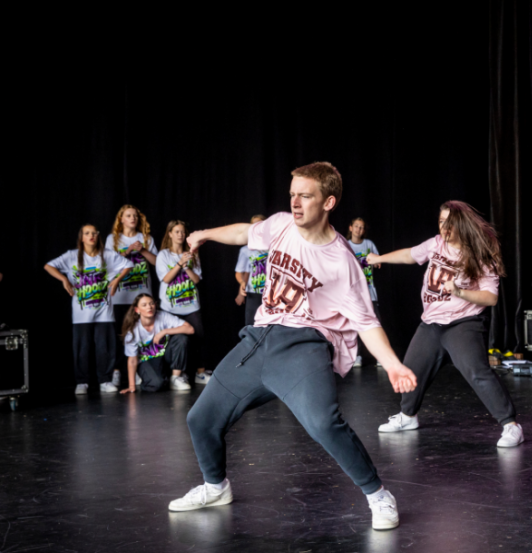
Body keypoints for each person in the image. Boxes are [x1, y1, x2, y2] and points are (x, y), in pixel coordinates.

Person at [169, 162, 418, 532]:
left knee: (323, 423)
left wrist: (393, 364)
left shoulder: (342, 261)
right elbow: (245, 232)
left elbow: (366, 322)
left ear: (328, 201)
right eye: (292, 194)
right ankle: (215, 486)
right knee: (200, 419)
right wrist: (205, 233)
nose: (296, 202)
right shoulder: (282, 224)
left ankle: (378, 495)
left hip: (303, 345)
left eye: (305, 195)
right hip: (259, 340)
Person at [368, 201, 523, 448]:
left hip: (463, 323)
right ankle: (408, 417)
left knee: (476, 372)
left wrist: (461, 292)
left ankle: (511, 426)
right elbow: (410, 254)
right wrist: (379, 258)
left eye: (450, 223)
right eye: (441, 222)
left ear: (461, 225)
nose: (444, 228)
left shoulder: (479, 255)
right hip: (431, 322)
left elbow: (491, 297)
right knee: (411, 371)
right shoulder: (436, 244)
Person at [44, 224, 133, 394]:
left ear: (98, 236)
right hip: (81, 312)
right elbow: (48, 266)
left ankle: (105, 380)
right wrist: (64, 279)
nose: (91, 236)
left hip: (104, 310)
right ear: (82, 237)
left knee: (104, 347)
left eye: (94, 233)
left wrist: (117, 280)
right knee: (82, 348)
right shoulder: (71, 256)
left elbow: (128, 265)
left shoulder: (107, 255)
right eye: (87, 233)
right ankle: (82, 382)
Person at [107, 205, 159, 388]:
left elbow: (157, 263)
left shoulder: (146, 238)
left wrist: (143, 250)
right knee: (119, 336)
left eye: (135, 216)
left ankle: (138, 370)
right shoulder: (112, 239)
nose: (133, 218)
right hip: (119, 296)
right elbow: (107, 264)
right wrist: (127, 251)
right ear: (121, 219)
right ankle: (116, 372)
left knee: (141, 335)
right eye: (128, 216)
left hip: (141, 297)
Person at [155, 220, 210, 386]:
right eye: (176, 232)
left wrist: (187, 267)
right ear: (170, 234)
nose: (180, 235)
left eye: (182, 232)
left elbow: (196, 280)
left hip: (191, 306)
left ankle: (200, 373)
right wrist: (179, 263)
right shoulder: (163, 255)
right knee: (177, 341)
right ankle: (177, 375)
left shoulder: (192, 254)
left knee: (199, 338)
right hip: (170, 308)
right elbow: (166, 279)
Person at [119, 293, 195, 393]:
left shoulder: (163, 316)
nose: (149, 307)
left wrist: (165, 331)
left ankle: (176, 378)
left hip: (164, 357)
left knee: (181, 338)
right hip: (147, 360)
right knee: (156, 385)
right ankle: (150, 377)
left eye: (151, 304)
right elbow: (132, 360)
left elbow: (190, 329)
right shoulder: (133, 330)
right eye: (144, 305)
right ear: (137, 310)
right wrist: (132, 386)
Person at [346, 217, 381, 367]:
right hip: (353, 294)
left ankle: (380, 356)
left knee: (375, 324)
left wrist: (378, 261)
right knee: (355, 326)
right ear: (351, 228)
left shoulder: (369, 244)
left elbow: (378, 260)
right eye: (356, 226)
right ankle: (357, 356)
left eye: (362, 227)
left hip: (369, 292)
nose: (359, 230)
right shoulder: (345, 245)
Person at [235, 214, 268, 327]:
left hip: (271, 294)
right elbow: (242, 272)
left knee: (270, 325)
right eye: (253, 225)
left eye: (259, 224)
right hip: (253, 293)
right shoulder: (246, 250)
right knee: (251, 325)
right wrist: (242, 285)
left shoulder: (275, 246)